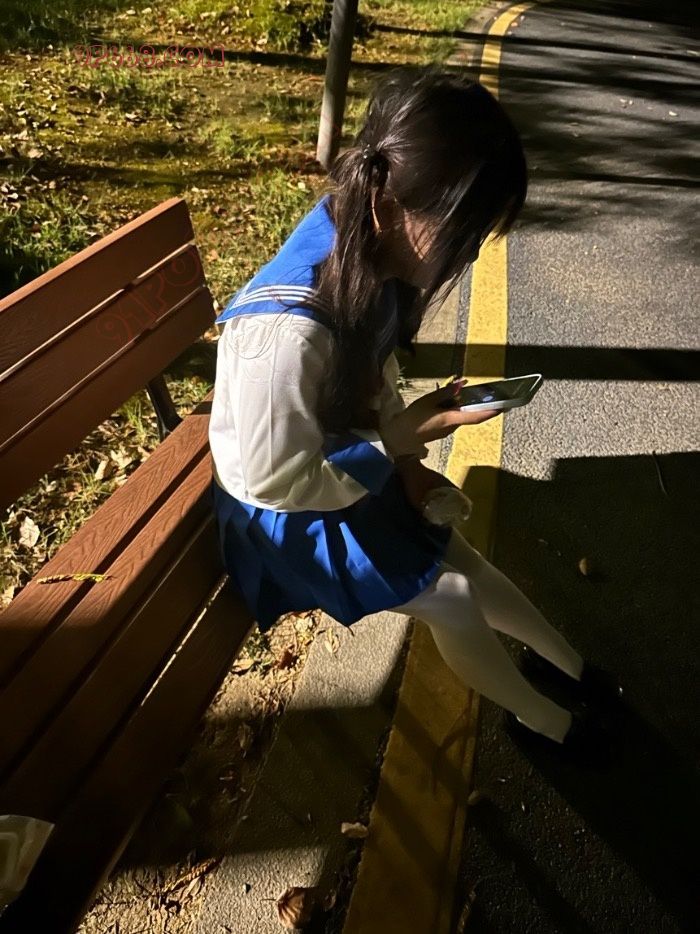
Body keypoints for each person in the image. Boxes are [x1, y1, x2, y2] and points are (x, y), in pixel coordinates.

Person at [208, 64, 612, 763]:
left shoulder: (369, 250)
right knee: (448, 595)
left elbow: (371, 379)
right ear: (392, 205)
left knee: (458, 556)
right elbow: (273, 481)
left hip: (338, 469)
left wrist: (404, 456)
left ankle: (571, 667)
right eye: (463, 230)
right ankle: (551, 726)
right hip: (285, 517)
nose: (470, 250)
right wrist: (397, 446)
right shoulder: (285, 331)